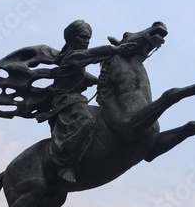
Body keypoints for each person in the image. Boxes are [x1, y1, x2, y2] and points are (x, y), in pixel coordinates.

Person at [38, 20, 133, 183]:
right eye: (83, 37)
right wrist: (114, 49)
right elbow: (90, 56)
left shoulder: (76, 60)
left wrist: (100, 81)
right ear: (71, 37)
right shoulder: (72, 56)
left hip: (76, 101)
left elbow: (84, 76)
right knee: (87, 120)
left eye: (88, 38)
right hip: (64, 102)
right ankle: (65, 163)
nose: (86, 41)